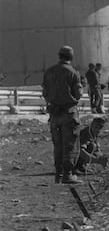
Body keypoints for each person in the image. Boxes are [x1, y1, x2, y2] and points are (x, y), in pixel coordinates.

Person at [42, 46, 83, 184]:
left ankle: (58, 174)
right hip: (68, 113)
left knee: (58, 145)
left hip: (54, 113)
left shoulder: (49, 72)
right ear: (71, 57)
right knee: (70, 144)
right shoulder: (73, 72)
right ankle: (68, 174)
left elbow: (45, 92)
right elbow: (78, 93)